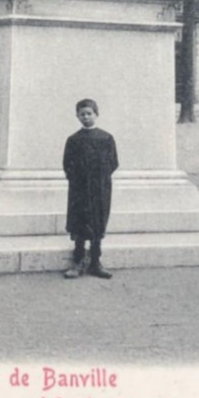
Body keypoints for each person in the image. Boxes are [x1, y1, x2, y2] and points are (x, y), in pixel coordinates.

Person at [62, 98, 119, 279]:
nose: (86, 117)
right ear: (77, 116)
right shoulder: (73, 139)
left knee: (97, 223)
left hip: (99, 190)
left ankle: (96, 262)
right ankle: (78, 261)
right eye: (82, 114)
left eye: (89, 113)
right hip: (79, 191)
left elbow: (113, 162)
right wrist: (79, 180)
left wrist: (98, 179)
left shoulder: (106, 138)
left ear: (96, 114)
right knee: (80, 224)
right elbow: (67, 165)